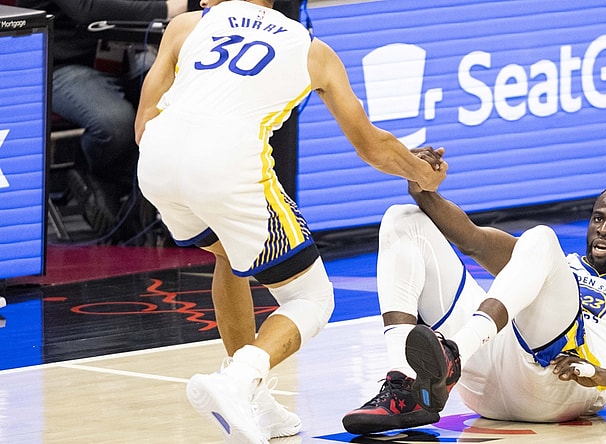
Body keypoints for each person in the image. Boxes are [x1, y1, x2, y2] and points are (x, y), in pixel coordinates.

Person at [133, 1, 446, 443]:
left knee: (228, 251)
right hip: (226, 162)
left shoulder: (186, 25)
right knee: (313, 298)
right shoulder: (311, 49)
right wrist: (422, 173)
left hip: (157, 160)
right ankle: (237, 380)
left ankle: (253, 397)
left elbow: (143, 123)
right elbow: (371, 145)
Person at [342, 166, 606, 434]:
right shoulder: (553, 265)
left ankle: (454, 351)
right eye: (598, 218)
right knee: (403, 217)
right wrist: (424, 189)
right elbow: (470, 238)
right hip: (485, 378)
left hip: (560, 388)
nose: (603, 230)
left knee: (540, 237)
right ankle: (405, 384)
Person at [17, 0, 193, 237]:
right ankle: (96, 173)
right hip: (57, 63)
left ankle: (146, 201)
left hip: (122, 54)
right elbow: (86, 9)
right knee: (115, 124)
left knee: (179, 100)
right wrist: (173, 8)